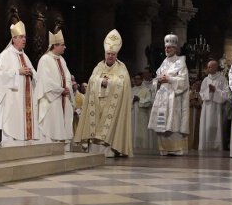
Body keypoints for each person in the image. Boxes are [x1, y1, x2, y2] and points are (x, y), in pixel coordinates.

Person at [74, 29, 133, 157]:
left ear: (116, 55)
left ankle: (110, 150)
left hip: (113, 104)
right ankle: (94, 150)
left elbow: (123, 84)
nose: (110, 56)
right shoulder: (98, 67)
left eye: (112, 54)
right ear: (105, 54)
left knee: (109, 127)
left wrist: (110, 83)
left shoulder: (122, 69)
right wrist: (101, 81)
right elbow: (92, 81)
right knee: (95, 127)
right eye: (108, 53)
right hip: (97, 102)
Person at [0, 20, 39, 142]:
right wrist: (17, 72)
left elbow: (35, 74)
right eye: (21, 37)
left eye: (25, 37)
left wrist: (31, 73)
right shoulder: (5, 55)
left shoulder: (25, 56)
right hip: (11, 98)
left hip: (24, 98)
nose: (24, 40)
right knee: (11, 123)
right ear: (14, 39)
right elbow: (0, 76)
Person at [149, 34, 190, 156]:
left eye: (170, 48)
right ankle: (164, 148)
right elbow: (156, 79)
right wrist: (158, 81)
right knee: (163, 122)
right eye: (166, 48)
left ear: (175, 49)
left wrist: (170, 79)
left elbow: (184, 81)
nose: (167, 50)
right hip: (163, 96)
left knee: (174, 121)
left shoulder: (180, 62)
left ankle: (176, 149)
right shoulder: (164, 63)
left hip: (174, 98)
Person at [35, 29, 74, 147]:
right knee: (52, 125)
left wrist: (67, 87)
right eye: (62, 45)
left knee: (63, 123)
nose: (65, 47)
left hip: (62, 97)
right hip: (51, 99)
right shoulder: (45, 60)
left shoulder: (61, 60)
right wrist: (60, 90)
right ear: (55, 46)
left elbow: (67, 76)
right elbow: (46, 81)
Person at [198, 59, 230, 151]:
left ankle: (216, 147)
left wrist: (215, 90)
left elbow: (227, 94)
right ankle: (205, 146)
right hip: (206, 107)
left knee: (216, 127)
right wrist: (208, 91)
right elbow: (201, 93)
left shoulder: (222, 79)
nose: (209, 68)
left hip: (217, 108)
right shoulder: (205, 80)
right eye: (208, 67)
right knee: (206, 127)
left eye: (211, 67)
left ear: (216, 67)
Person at [130, 73, 157, 154]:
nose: (136, 80)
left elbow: (149, 102)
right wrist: (132, 100)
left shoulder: (146, 90)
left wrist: (139, 99)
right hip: (133, 114)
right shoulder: (131, 90)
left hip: (142, 114)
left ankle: (144, 148)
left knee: (142, 132)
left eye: (138, 79)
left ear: (142, 80)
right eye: (135, 79)